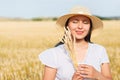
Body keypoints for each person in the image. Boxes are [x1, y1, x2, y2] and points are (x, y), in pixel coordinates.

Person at [39, 6, 112, 80]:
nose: (80, 26)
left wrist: (98, 75)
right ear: (67, 26)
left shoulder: (99, 50)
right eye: (75, 22)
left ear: (90, 27)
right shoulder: (54, 53)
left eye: (85, 22)